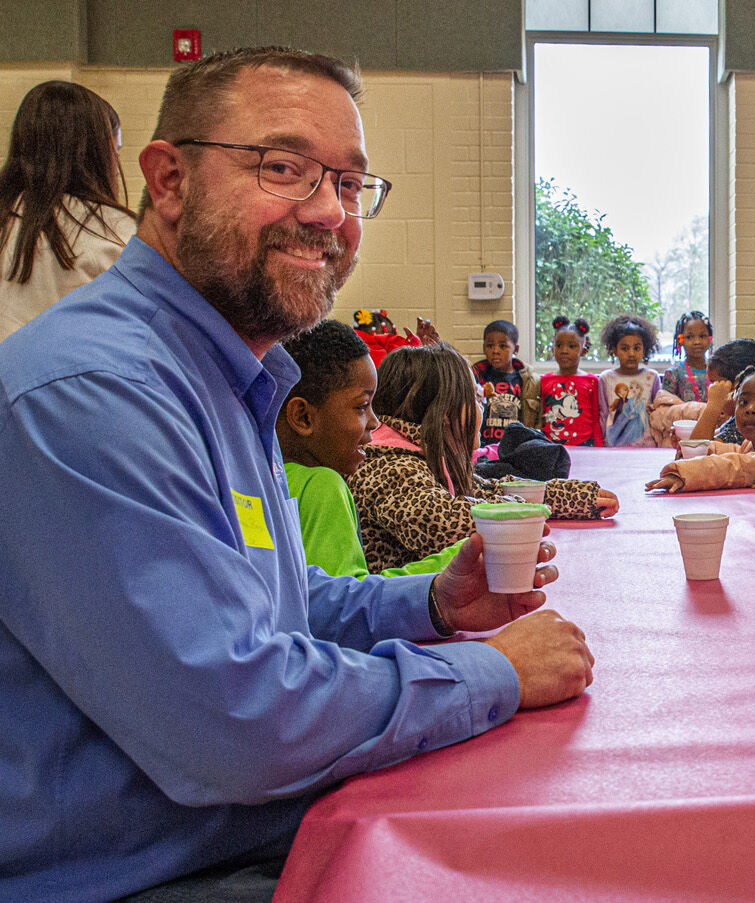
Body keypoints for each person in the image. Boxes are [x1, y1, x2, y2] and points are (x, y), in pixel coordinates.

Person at [0, 47, 595, 900]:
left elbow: (264, 608)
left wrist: (428, 605)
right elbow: (237, 719)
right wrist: (493, 672)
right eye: (283, 168)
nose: (328, 213)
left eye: (351, 185)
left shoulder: (226, 376)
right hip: (140, 873)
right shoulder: (97, 392)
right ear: (168, 180)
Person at [351, 342, 618, 572]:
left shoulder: (423, 455)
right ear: (446, 413)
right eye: (476, 399)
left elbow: (489, 489)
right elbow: (442, 524)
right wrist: (526, 512)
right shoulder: (388, 466)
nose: (483, 408)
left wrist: (573, 497)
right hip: (401, 620)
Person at [278, 319, 463, 577]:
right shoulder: (322, 485)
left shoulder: (267, 480)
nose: (375, 422)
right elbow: (345, 606)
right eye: (362, 406)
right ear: (303, 417)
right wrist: (457, 557)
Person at [0, 80, 137, 341]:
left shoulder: (7, 213)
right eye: (114, 153)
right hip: (73, 378)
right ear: (96, 154)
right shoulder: (115, 232)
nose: (117, 168)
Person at [646, 368, 755, 493]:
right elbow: (735, 451)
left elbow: (736, 466)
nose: (750, 409)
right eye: (743, 402)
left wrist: (683, 474)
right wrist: (694, 447)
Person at [686, 337, 755, 444]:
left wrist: (713, 405)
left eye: (716, 384)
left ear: (737, 386)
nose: (712, 390)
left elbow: (697, 449)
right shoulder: (736, 418)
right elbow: (696, 443)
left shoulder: (751, 423)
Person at [473, 318, 542, 442]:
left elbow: (537, 419)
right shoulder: (476, 377)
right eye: (490, 346)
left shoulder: (529, 381)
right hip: (484, 446)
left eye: (503, 346)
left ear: (516, 349)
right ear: (484, 348)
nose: (495, 351)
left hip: (516, 447)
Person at [540, 315, 604, 446]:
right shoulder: (544, 380)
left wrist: (599, 450)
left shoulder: (592, 381)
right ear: (553, 349)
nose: (564, 351)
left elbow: (596, 420)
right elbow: (540, 418)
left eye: (572, 346)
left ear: (583, 351)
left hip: (584, 446)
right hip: (551, 446)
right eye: (559, 345)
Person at [599, 314, 661, 447]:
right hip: (614, 447)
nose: (631, 354)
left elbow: (658, 414)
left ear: (644, 349)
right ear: (614, 350)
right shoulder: (606, 378)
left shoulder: (652, 377)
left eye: (637, 348)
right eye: (625, 348)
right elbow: (603, 415)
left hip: (647, 447)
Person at [661, 310, 713, 404]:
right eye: (689, 337)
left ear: (710, 339)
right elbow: (666, 410)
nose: (697, 341)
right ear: (680, 340)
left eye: (702, 336)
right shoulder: (673, 374)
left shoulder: (717, 371)